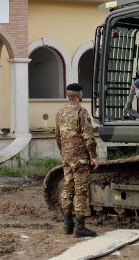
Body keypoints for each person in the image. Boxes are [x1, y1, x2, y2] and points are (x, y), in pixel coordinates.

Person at [54, 82, 99, 237]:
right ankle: (79, 228)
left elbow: (57, 136)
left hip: (66, 157)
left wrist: (64, 152)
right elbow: (88, 137)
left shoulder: (60, 112)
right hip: (80, 158)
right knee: (81, 191)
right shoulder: (82, 111)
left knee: (68, 188)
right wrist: (93, 156)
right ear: (79, 95)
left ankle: (67, 225)